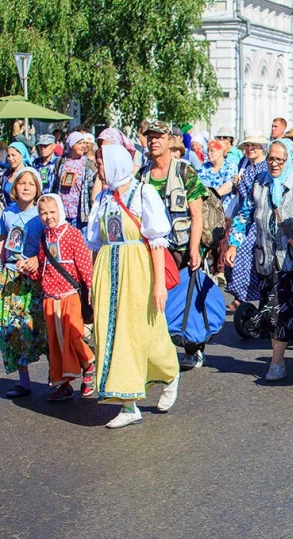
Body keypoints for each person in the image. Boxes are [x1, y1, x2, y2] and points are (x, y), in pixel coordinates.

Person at [86, 144, 181, 428]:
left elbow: (156, 242)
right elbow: (96, 242)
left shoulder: (143, 193)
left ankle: (169, 373)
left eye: (101, 164)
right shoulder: (103, 198)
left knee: (145, 329)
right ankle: (129, 404)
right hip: (108, 269)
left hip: (138, 268)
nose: (98, 170)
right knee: (112, 334)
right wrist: (93, 282)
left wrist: (158, 285)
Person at [223, 139, 293, 381]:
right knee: (277, 308)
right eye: (271, 158)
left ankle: (277, 362)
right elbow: (245, 214)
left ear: (289, 159)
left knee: (278, 309)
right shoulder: (260, 182)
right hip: (265, 258)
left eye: (280, 159)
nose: (274, 163)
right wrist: (234, 244)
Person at [137, 121, 209, 369]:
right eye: (150, 137)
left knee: (186, 298)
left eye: (158, 136)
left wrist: (194, 249)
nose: (153, 141)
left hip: (180, 247)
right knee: (154, 297)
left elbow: (197, 213)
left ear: (170, 141)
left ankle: (193, 346)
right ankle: (159, 347)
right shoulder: (142, 175)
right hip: (152, 248)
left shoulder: (184, 172)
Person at [21, 193, 94, 400]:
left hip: (69, 295)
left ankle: (88, 366)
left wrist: (91, 290)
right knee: (55, 343)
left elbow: (85, 266)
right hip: (50, 297)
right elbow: (42, 270)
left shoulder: (72, 234)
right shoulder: (45, 238)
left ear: (60, 211)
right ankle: (64, 384)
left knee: (73, 335)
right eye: (43, 213)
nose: (48, 217)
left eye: (52, 212)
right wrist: (28, 268)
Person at [0, 168, 48, 398]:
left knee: (39, 326)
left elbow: (50, 245)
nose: (27, 187)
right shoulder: (7, 213)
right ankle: (24, 380)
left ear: (37, 189)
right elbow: (2, 241)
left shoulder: (41, 214)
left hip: (35, 278)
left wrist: (37, 261)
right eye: (22, 183)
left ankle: (57, 378)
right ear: (14, 188)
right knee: (13, 329)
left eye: (31, 183)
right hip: (10, 276)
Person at [224, 133, 269, 310]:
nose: (250, 149)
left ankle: (245, 296)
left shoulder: (266, 168)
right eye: (247, 145)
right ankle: (241, 295)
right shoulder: (246, 167)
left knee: (247, 254)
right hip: (245, 216)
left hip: (260, 218)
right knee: (233, 250)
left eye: (254, 145)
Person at [53, 132, 97, 231]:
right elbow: (55, 183)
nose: (83, 146)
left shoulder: (88, 164)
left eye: (84, 143)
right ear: (72, 145)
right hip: (63, 212)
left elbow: (92, 187)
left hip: (80, 214)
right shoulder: (61, 161)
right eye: (80, 143)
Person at [198, 140, 239, 218]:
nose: (209, 153)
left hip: (223, 211)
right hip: (205, 209)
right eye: (208, 150)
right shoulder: (204, 167)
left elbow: (228, 186)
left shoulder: (230, 167)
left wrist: (209, 195)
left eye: (212, 151)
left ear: (221, 152)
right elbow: (198, 184)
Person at [1, 142, 32, 207]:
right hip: (8, 213)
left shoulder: (29, 174)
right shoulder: (6, 175)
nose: (10, 159)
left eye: (13, 155)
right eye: (8, 156)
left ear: (21, 155)